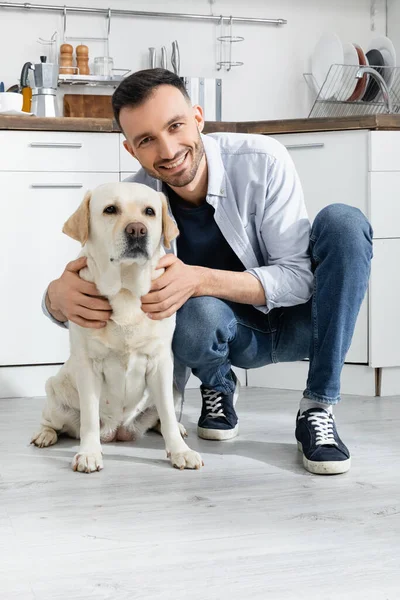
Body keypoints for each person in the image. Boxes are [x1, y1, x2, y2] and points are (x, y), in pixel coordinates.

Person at [43, 68, 373, 475]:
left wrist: (199, 278)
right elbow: (105, 285)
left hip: (305, 323)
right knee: (189, 310)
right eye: (146, 140)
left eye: (175, 126)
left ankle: (319, 406)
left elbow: (301, 279)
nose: (166, 149)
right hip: (221, 332)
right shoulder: (135, 204)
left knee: (344, 222)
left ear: (198, 118)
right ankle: (218, 385)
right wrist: (53, 300)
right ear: (131, 150)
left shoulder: (263, 160)